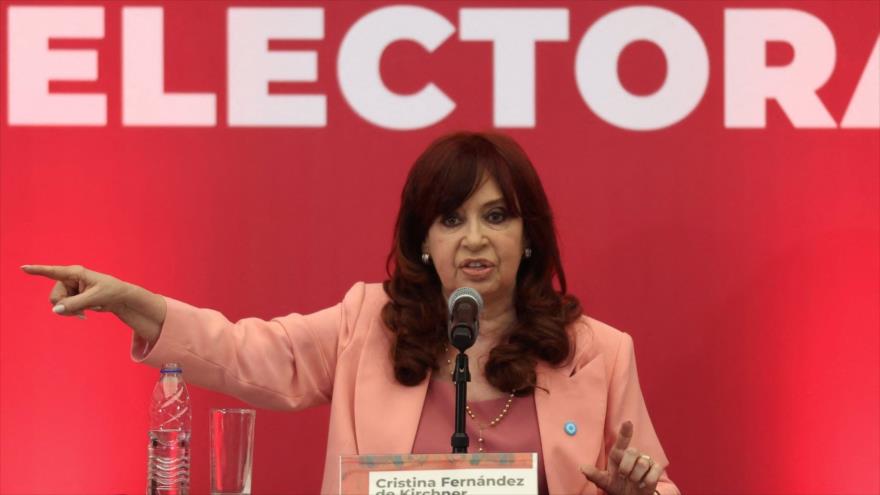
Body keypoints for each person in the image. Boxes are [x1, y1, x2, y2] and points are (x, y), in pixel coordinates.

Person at [23, 132, 679, 495]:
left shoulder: (597, 350)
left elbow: (655, 483)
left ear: (528, 234)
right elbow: (252, 351)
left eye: (496, 216)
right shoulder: (370, 321)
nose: (474, 238)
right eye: (451, 219)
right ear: (424, 239)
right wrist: (138, 304)